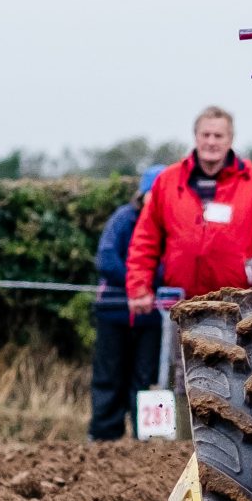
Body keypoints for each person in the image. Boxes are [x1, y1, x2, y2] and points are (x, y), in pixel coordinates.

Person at [127, 106, 252, 320]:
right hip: (182, 306)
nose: (211, 141)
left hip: (239, 307)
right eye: (205, 135)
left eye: (218, 136)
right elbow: (145, 239)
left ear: (230, 139)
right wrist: (139, 288)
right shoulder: (167, 181)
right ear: (195, 137)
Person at [89, 165, 166, 441]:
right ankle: (103, 438)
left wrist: (149, 282)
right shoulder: (123, 219)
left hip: (153, 317)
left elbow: (170, 265)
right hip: (114, 311)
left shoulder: (171, 225)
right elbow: (106, 258)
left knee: (147, 380)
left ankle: (148, 441)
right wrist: (138, 281)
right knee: (109, 377)